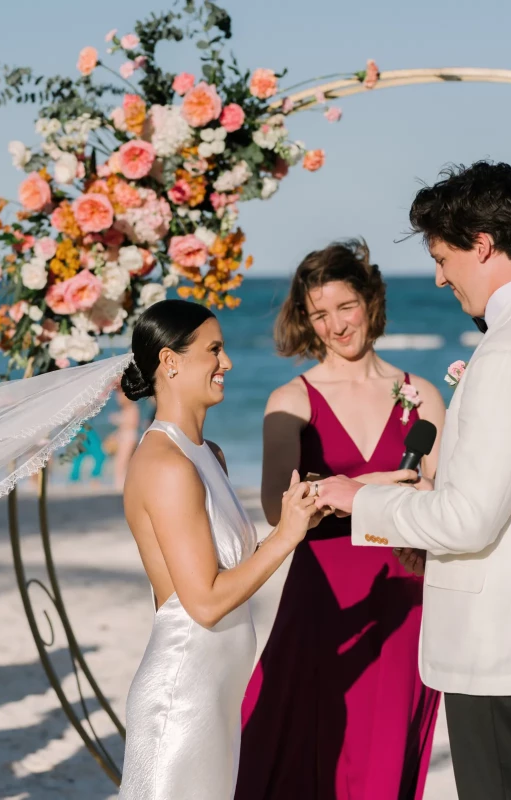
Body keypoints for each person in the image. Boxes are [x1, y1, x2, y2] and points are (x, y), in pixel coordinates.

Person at [316, 162, 511, 800]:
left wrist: (363, 499)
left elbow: (468, 521)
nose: (438, 277)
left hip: (501, 648)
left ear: (481, 245)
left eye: (442, 257)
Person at [236, 240, 445, 799]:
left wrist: (417, 513)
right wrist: (368, 489)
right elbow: (278, 509)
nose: (334, 325)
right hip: (325, 595)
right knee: (302, 746)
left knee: (384, 756)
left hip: (405, 593)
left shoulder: (420, 394)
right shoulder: (292, 399)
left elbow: (445, 503)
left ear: (371, 302)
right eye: (319, 313)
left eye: (344, 307)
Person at [117, 299, 321, 800]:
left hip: (215, 694)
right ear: (170, 362)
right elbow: (203, 602)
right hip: (181, 696)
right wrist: (285, 537)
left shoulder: (210, 456)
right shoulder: (165, 464)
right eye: (214, 350)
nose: (227, 363)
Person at [108, 389, 141, 490]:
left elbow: (132, 424)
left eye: (120, 396)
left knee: (122, 462)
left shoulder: (131, 408)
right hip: (125, 436)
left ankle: (120, 486)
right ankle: (121, 484)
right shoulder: (127, 408)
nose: (118, 399)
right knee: (122, 462)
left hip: (129, 437)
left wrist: (119, 420)